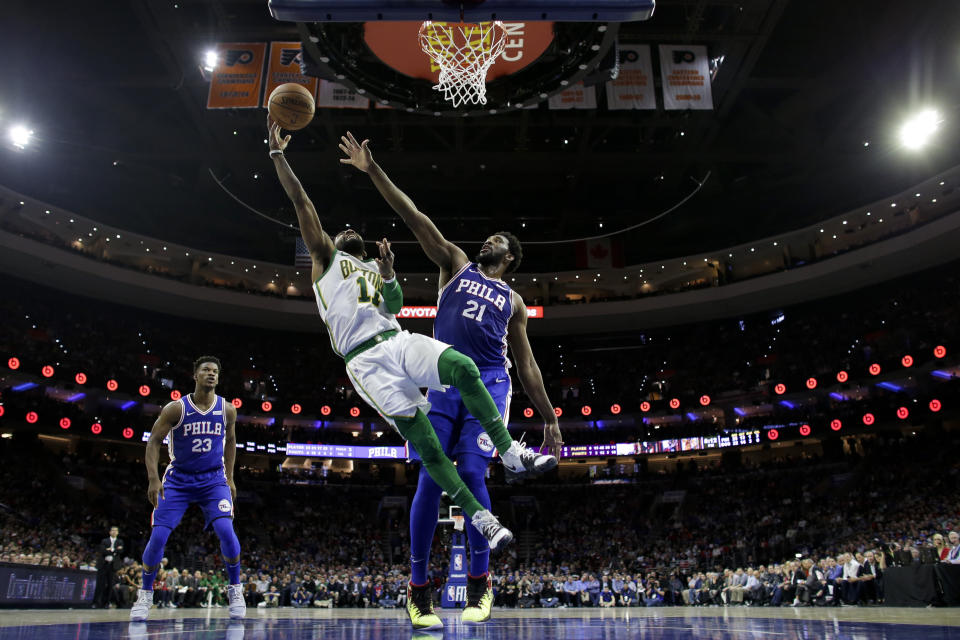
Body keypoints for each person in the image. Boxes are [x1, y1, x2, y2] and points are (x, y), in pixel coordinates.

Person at [268, 116, 555, 630]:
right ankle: (418, 587)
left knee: (470, 472)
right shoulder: (455, 263)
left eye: (496, 240)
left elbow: (527, 362)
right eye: (486, 237)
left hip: (491, 379)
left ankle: (479, 586)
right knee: (428, 478)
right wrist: (372, 168)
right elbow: (413, 213)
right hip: (430, 377)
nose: (486, 241)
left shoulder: (514, 301)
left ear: (509, 257)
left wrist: (549, 416)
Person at [130, 356, 245, 621]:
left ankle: (235, 589)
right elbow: (153, 442)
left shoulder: (227, 410)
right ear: (195, 375)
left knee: (226, 531)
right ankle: (145, 594)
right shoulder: (176, 409)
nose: (211, 374)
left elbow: (231, 441)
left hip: (213, 479)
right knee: (158, 537)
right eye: (206, 370)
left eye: (215, 371)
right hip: (179, 479)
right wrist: (153, 478)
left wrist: (230, 477)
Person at [93, 526, 124, 608]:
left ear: (118, 532)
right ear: (110, 532)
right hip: (103, 565)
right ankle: (96, 602)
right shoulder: (104, 540)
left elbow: (121, 551)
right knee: (100, 584)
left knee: (110, 585)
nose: (114, 532)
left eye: (115, 530)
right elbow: (102, 550)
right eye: (112, 530)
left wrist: (110, 549)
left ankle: (106, 602)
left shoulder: (120, 541)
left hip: (113, 566)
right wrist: (114, 551)